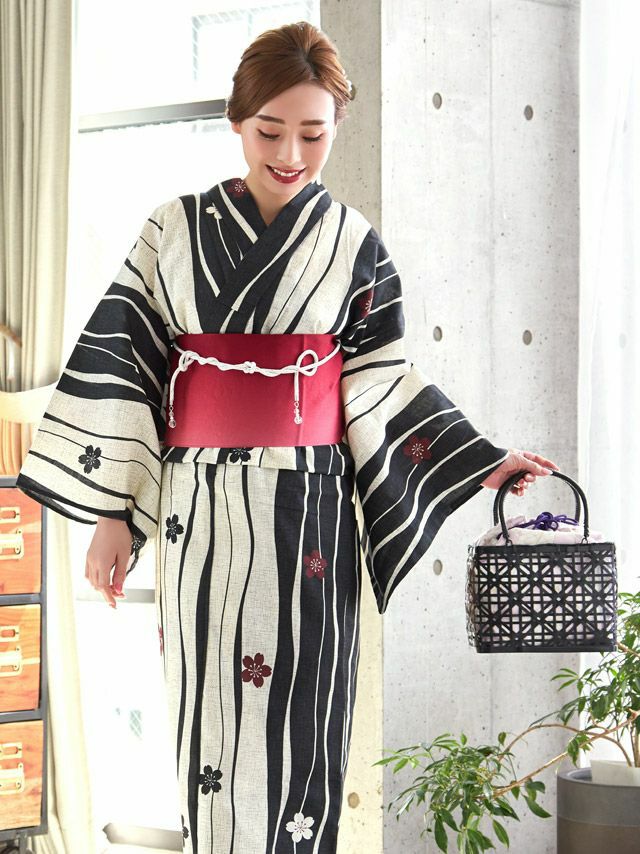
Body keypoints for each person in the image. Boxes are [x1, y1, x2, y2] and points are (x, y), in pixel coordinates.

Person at [15, 20, 559, 854]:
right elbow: (128, 367)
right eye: (270, 131)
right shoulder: (172, 231)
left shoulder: (354, 245)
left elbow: (378, 381)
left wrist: (480, 462)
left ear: (337, 125)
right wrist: (115, 515)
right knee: (207, 721)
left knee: (306, 719)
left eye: (313, 133)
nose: (291, 154)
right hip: (198, 507)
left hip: (309, 513)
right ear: (236, 120)